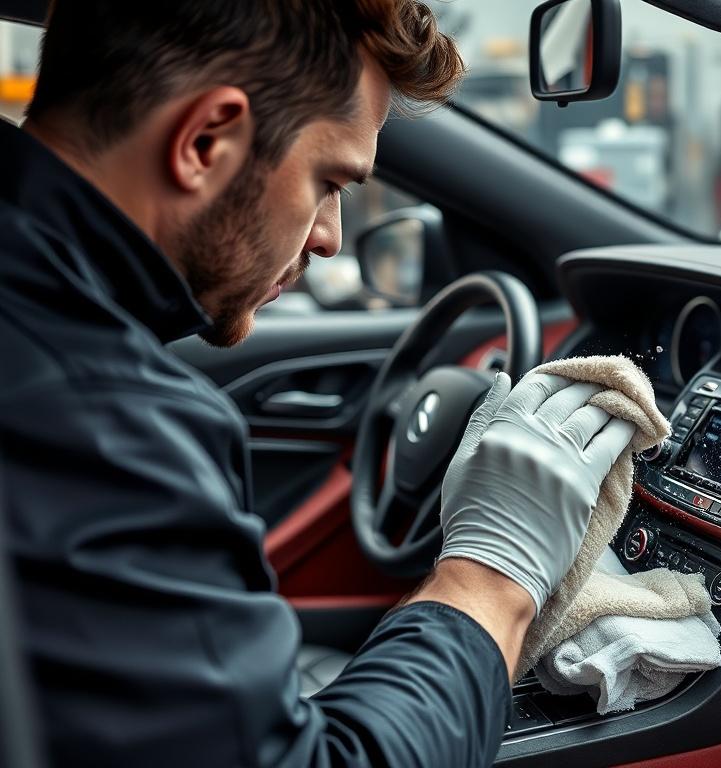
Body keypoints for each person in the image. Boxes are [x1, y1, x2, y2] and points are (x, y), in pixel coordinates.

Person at [0, 2, 635, 766]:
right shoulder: (97, 426)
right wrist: (493, 571)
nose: (331, 236)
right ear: (206, 141)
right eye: (330, 179)